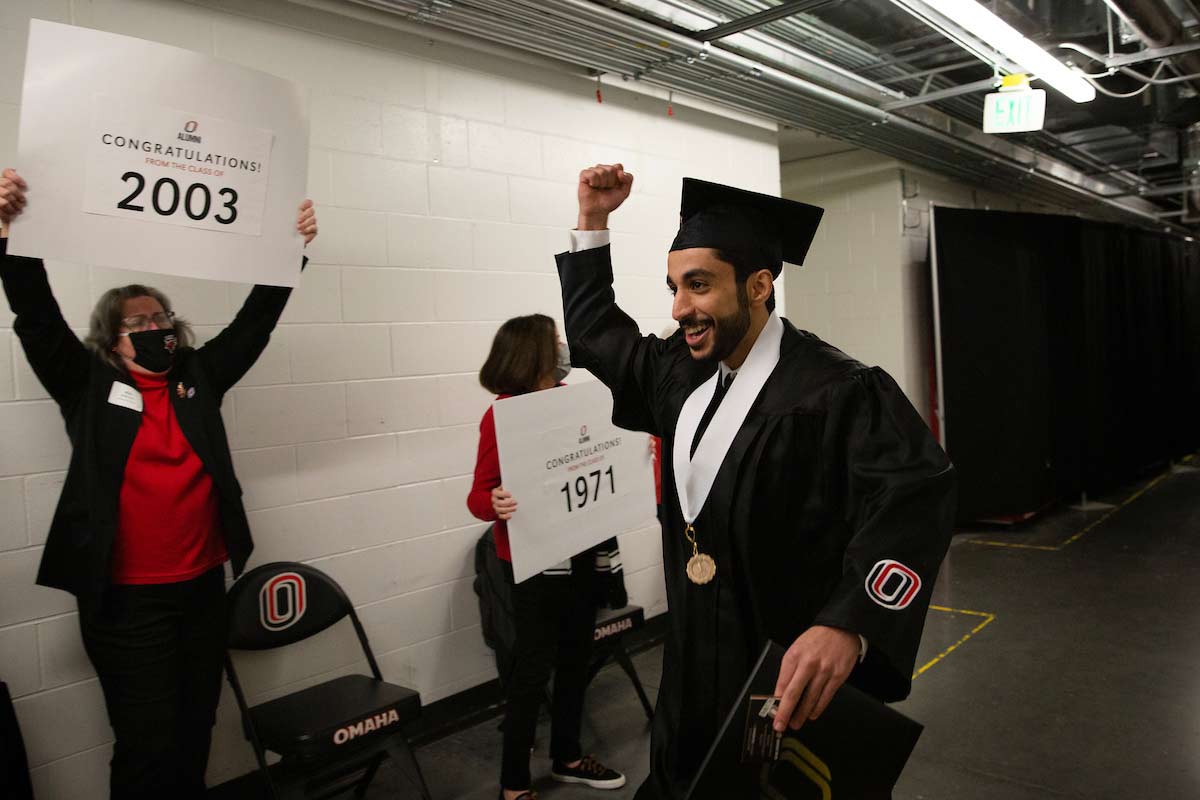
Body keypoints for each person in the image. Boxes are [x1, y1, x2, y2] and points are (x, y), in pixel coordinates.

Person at [555, 165, 956, 798]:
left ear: (760, 285)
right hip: (688, 673)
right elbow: (597, 336)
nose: (679, 308)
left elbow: (916, 493)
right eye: (673, 287)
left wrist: (850, 622)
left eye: (699, 285)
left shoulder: (835, 389)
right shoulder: (677, 371)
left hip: (780, 676)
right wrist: (592, 221)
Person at [0, 167, 317, 799]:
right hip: (127, 603)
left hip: (201, 589)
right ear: (111, 341)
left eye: (161, 317)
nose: (155, 328)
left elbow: (254, 324)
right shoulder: (86, 385)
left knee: (196, 726)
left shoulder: (197, 378)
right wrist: (8, 235)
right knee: (146, 743)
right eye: (138, 323)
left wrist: (293, 252)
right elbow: (36, 317)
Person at [467, 313, 627, 800]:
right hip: (533, 563)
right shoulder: (503, 415)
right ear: (532, 354)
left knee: (578, 656)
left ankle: (568, 757)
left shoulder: (571, 402)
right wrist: (494, 504)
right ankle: (513, 784)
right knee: (532, 670)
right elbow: (478, 496)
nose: (563, 347)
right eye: (555, 341)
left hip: (578, 552)